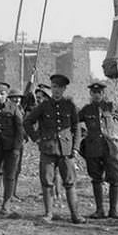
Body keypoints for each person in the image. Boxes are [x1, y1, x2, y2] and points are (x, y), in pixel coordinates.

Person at [24, 74, 83, 223]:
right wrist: (36, 138)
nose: (56, 90)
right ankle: (48, 214)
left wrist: (75, 147)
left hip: (66, 150)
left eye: (59, 88)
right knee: (47, 182)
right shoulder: (43, 106)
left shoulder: (70, 106)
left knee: (69, 182)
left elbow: (76, 128)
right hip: (48, 149)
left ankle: (75, 215)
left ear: (64, 89)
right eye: (54, 87)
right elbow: (28, 122)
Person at [79, 82, 118, 219]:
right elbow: (73, 121)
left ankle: (113, 211)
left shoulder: (110, 107)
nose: (96, 95)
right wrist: (83, 133)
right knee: (96, 178)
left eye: (99, 93)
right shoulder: (86, 110)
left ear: (103, 94)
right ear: (90, 94)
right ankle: (99, 210)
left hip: (110, 148)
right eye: (94, 93)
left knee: (114, 178)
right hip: (92, 148)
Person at [0, 82, 24, 216]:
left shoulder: (14, 108)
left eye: (2, 94)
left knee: (9, 175)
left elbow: (20, 130)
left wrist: (16, 148)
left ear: (7, 95)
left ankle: (6, 204)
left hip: (10, 148)